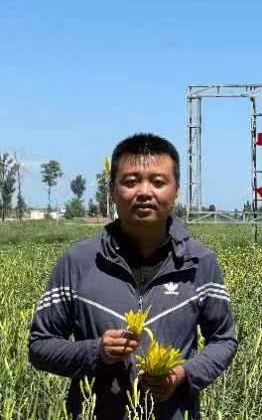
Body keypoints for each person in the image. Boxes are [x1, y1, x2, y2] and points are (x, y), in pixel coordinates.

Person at [28, 133, 238, 420]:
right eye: (130, 182)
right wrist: (97, 352)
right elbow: (40, 346)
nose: (144, 192)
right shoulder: (77, 262)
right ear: (112, 190)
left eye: (158, 182)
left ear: (176, 190)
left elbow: (224, 340)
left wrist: (182, 375)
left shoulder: (200, 262)